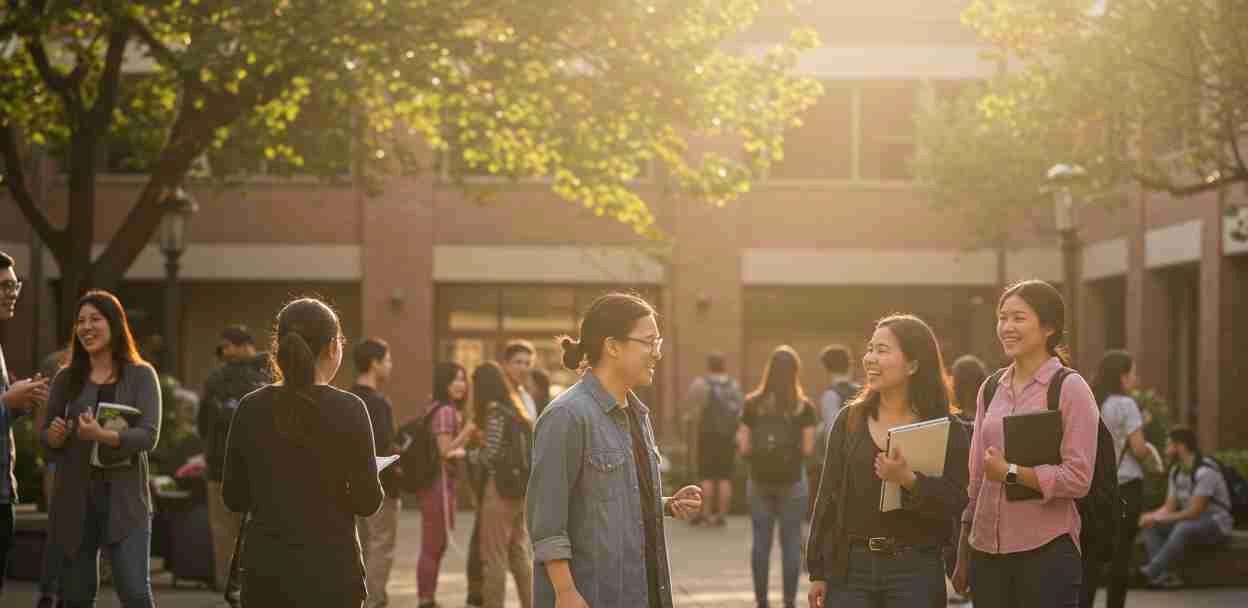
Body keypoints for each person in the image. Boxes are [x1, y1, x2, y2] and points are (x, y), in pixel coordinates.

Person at [528, 292, 703, 608]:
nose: (656, 354)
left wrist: (662, 503)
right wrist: (565, 592)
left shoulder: (638, 414)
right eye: (649, 342)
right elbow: (547, 519)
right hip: (591, 595)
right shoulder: (566, 416)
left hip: (645, 591)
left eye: (658, 343)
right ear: (612, 346)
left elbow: (603, 496)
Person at [222, 297, 383, 607]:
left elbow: (234, 497)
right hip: (333, 571)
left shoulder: (251, 407)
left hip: (265, 570)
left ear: (278, 348)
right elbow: (367, 502)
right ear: (333, 347)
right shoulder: (350, 409)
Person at [953, 280, 1100, 608]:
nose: (1007, 327)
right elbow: (976, 478)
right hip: (987, 553)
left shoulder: (1070, 388)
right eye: (1002, 318)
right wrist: (964, 550)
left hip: (1046, 552)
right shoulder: (990, 388)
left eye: (1018, 318)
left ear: (1049, 327)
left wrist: (1012, 472)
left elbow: (1078, 477)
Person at [808, 314, 971, 608]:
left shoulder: (947, 427)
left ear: (913, 364)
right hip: (851, 571)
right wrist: (818, 570)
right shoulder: (850, 420)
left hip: (915, 571)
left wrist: (909, 480)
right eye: (870, 349)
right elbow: (827, 496)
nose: (869, 358)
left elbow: (958, 498)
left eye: (882, 351)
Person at [41, 290, 162, 608]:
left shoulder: (142, 375)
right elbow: (46, 439)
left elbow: (149, 436)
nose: (86, 327)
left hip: (126, 500)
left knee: (135, 593)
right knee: (76, 597)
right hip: (75, 501)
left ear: (115, 324)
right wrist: (53, 437)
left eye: (96, 318)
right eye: (80, 321)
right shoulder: (65, 379)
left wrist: (103, 436)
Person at [1082, 349, 1162, 607]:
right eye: (1133, 373)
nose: (1135, 379)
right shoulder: (1126, 405)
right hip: (1126, 485)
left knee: (1091, 552)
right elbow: (1138, 449)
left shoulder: (1091, 402)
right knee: (1121, 554)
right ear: (1122, 376)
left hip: (1096, 486)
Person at [739, 346, 816, 608]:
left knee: (761, 544)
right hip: (793, 480)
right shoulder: (803, 408)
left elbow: (744, 446)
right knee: (791, 543)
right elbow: (807, 449)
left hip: (759, 480)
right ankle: (789, 601)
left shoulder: (752, 404)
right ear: (796, 372)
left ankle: (762, 602)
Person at [198, 324, 269, 602]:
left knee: (223, 527)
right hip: (259, 465)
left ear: (243, 345)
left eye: (227, 345)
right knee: (254, 525)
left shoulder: (216, 378)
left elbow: (203, 422)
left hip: (221, 463)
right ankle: (252, 581)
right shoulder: (268, 373)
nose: (224, 351)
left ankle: (226, 584)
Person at [1, 251, 51, 598]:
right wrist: (7, 401)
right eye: (4, 285)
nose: (13, 291)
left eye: (15, 284)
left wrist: (20, 402)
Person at [468, 361, 535, 608]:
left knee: (493, 555)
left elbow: (491, 454)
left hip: (499, 488)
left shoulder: (495, 411)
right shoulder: (517, 411)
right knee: (518, 552)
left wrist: (469, 455)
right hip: (521, 489)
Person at [1137, 427, 1233, 589]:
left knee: (1183, 527)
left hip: (1217, 524)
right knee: (1150, 526)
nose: (1166, 451)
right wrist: (1150, 517)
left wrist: (1157, 517)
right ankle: (1165, 576)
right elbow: (1169, 508)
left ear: (1180, 446)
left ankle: (1151, 571)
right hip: (1192, 522)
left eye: (1169, 446)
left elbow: (1194, 512)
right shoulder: (1177, 472)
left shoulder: (1205, 471)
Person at [417, 361, 473, 608]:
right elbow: (445, 451)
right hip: (438, 486)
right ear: (444, 383)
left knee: (435, 545)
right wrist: (469, 431)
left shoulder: (437, 407)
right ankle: (425, 599)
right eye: (455, 379)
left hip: (438, 485)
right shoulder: (446, 411)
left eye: (463, 379)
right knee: (432, 545)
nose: (461, 384)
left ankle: (428, 597)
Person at [350, 338, 402, 608]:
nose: (391, 366)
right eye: (388, 360)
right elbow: (383, 446)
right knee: (382, 547)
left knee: (361, 546)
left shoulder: (346, 399)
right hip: (381, 488)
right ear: (375, 363)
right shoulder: (379, 404)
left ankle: (359, 597)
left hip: (351, 487)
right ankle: (373, 601)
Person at [686, 351, 743, 527]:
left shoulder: (700, 384)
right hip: (727, 437)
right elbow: (740, 411)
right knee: (725, 477)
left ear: (708, 366)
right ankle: (721, 515)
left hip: (707, 436)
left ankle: (706, 514)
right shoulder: (733, 386)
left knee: (707, 476)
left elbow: (692, 413)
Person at [812, 345, 859, 507]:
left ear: (826, 368)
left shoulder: (830, 395)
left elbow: (833, 432)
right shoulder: (862, 391)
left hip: (840, 461)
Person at [502, 340, 539, 419]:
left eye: (527, 363)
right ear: (506, 364)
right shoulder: (499, 395)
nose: (523, 368)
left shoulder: (526, 396)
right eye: (518, 362)